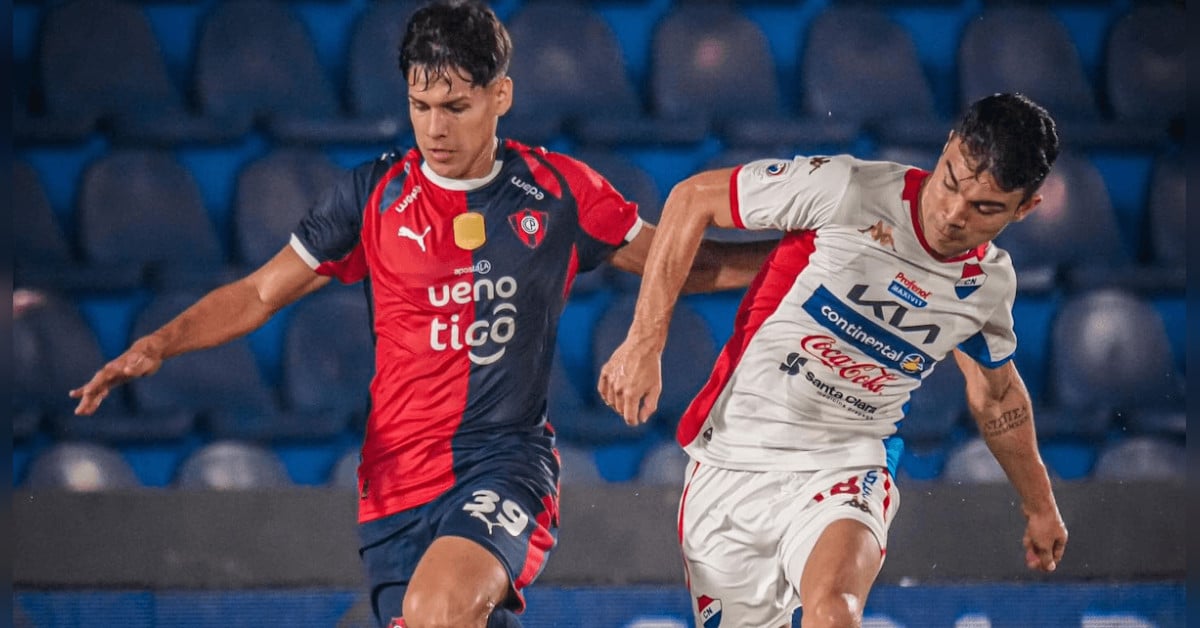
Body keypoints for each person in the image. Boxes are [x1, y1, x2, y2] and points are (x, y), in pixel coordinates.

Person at [68, 2, 770, 627]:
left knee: (439, 609)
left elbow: (684, 262)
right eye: (421, 105)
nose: (435, 128)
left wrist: (796, 254)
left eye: (456, 107)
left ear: (500, 96)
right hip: (393, 487)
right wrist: (159, 343)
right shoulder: (372, 197)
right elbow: (258, 294)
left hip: (504, 463)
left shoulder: (557, 191)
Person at [598, 93, 1070, 627]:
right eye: (951, 182)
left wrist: (1040, 505)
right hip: (732, 460)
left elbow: (997, 395)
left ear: (1024, 208)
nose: (953, 214)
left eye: (986, 208)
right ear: (947, 147)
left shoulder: (987, 286)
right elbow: (693, 198)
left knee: (834, 612)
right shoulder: (848, 189)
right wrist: (645, 341)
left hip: (848, 461)